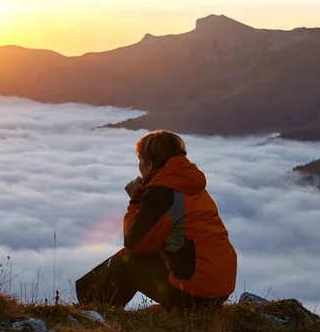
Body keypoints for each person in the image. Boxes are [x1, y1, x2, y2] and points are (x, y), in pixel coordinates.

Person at [76, 130, 237, 309]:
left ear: (150, 164)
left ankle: (91, 312)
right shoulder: (189, 184)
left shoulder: (162, 193)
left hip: (193, 293)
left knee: (125, 260)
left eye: (140, 160)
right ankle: (89, 307)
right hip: (219, 289)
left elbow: (133, 243)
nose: (139, 165)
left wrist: (135, 200)